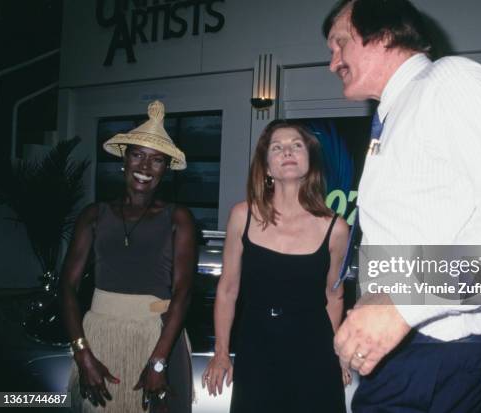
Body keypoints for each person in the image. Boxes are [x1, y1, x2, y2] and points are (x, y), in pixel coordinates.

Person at [323, 0, 481, 411]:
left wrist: (401, 304)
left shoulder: (452, 81)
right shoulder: (399, 113)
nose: (332, 63)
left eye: (340, 43)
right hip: (414, 357)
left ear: (384, 35)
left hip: (441, 357)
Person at [201, 119, 350, 413]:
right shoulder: (242, 216)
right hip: (256, 347)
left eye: (297, 145)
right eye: (277, 147)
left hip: (314, 349)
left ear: (310, 161)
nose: (288, 152)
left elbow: (334, 297)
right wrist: (221, 352)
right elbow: (228, 289)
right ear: (267, 167)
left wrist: (336, 354)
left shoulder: (335, 228)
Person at [60, 100, 196, 412]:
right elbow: (66, 287)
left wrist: (159, 362)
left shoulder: (179, 218)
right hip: (99, 339)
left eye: (157, 160)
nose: (145, 168)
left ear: (166, 169)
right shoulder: (93, 215)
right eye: (138, 155)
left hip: (158, 339)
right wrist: (82, 353)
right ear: (125, 159)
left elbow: (183, 293)